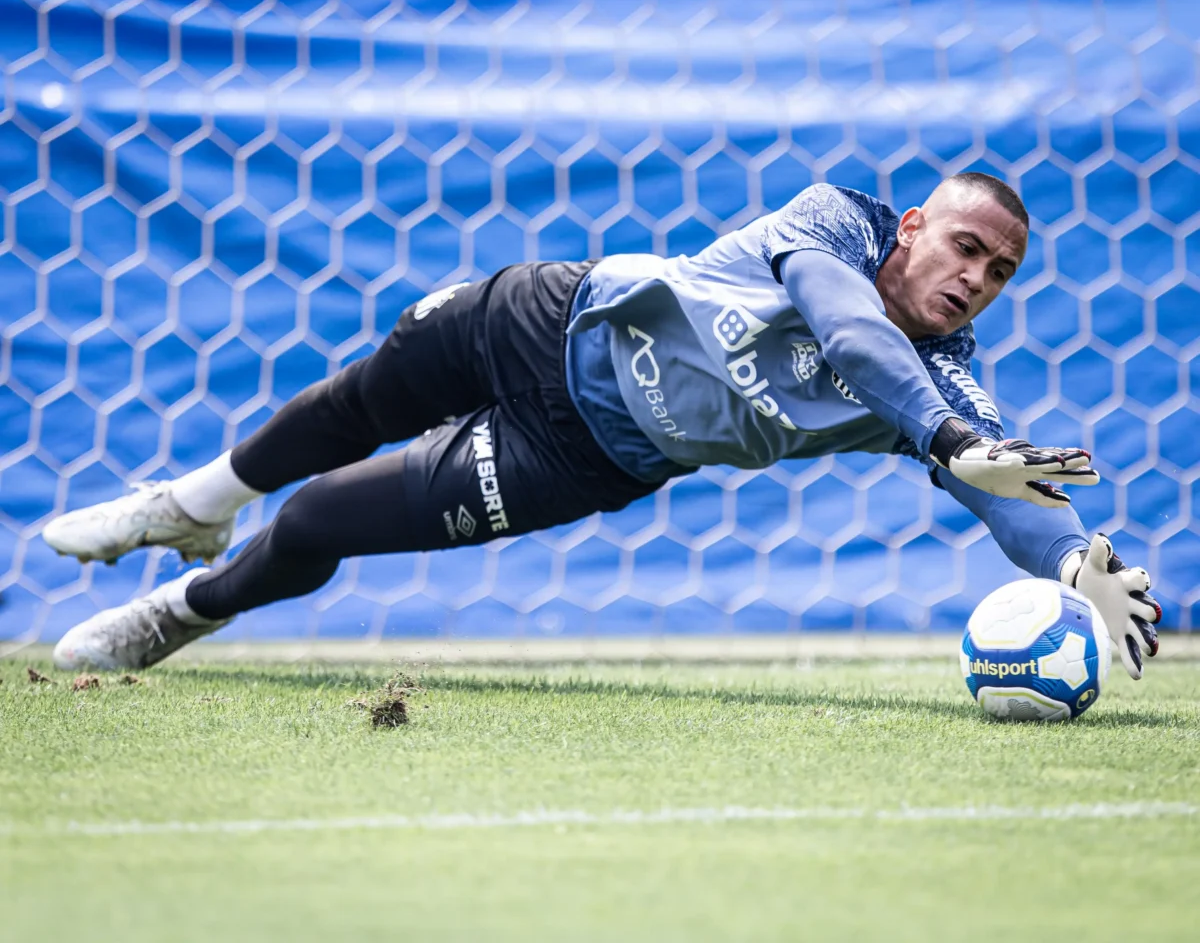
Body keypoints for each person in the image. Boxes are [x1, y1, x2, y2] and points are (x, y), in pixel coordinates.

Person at [43, 173, 1161, 677]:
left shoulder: (948, 390)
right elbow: (848, 328)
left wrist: (1075, 557)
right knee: (358, 402)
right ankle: (189, 506)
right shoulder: (834, 218)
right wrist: (939, 430)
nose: (978, 278)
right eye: (966, 248)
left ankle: (182, 609)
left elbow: (1004, 486)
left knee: (327, 519)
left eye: (1001, 273)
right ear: (913, 225)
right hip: (546, 316)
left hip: (579, 454)